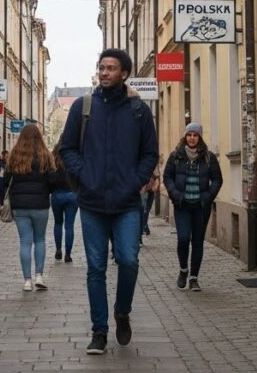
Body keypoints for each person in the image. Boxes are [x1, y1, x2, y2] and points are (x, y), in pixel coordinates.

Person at [59, 48, 157, 355]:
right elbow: (67, 148)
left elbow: (150, 153)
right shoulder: (83, 107)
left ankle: (122, 311)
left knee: (128, 260)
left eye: (110, 68)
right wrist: (84, 174)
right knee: (95, 268)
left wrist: (135, 181)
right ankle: (99, 331)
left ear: (124, 73)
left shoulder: (139, 110)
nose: (104, 72)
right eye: (101, 67)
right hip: (91, 202)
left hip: (127, 202)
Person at [163, 123, 222, 292]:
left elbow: (217, 179)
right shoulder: (176, 156)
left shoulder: (209, 157)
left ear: (200, 137)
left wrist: (208, 197)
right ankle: (183, 270)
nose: (192, 138)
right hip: (182, 206)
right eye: (189, 135)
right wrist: (175, 194)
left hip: (201, 207)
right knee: (183, 239)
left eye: (195, 135)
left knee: (197, 241)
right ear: (185, 137)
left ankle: (194, 278)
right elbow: (167, 177)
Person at [5, 123, 54, 292]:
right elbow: (52, 181)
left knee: (25, 242)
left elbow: (6, 181)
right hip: (40, 205)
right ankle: (39, 276)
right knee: (40, 240)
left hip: (20, 206)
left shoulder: (14, 156)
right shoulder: (45, 156)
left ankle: (27, 281)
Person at [49, 141, 79, 263]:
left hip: (57, 195)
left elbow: (49, 177)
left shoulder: (53, 158)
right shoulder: (73, 157)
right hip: (72, 195)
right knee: (69, 226)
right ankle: (68, 254)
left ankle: (58, 250)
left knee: (58, 223)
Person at [140, 160, 162, 238]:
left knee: (147, 209)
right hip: (142, 189)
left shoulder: (153, 160)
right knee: (144, 209)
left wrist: (156, 185)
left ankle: (144, 226)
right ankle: (142, 229)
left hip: (151, 188)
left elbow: (157, 176)